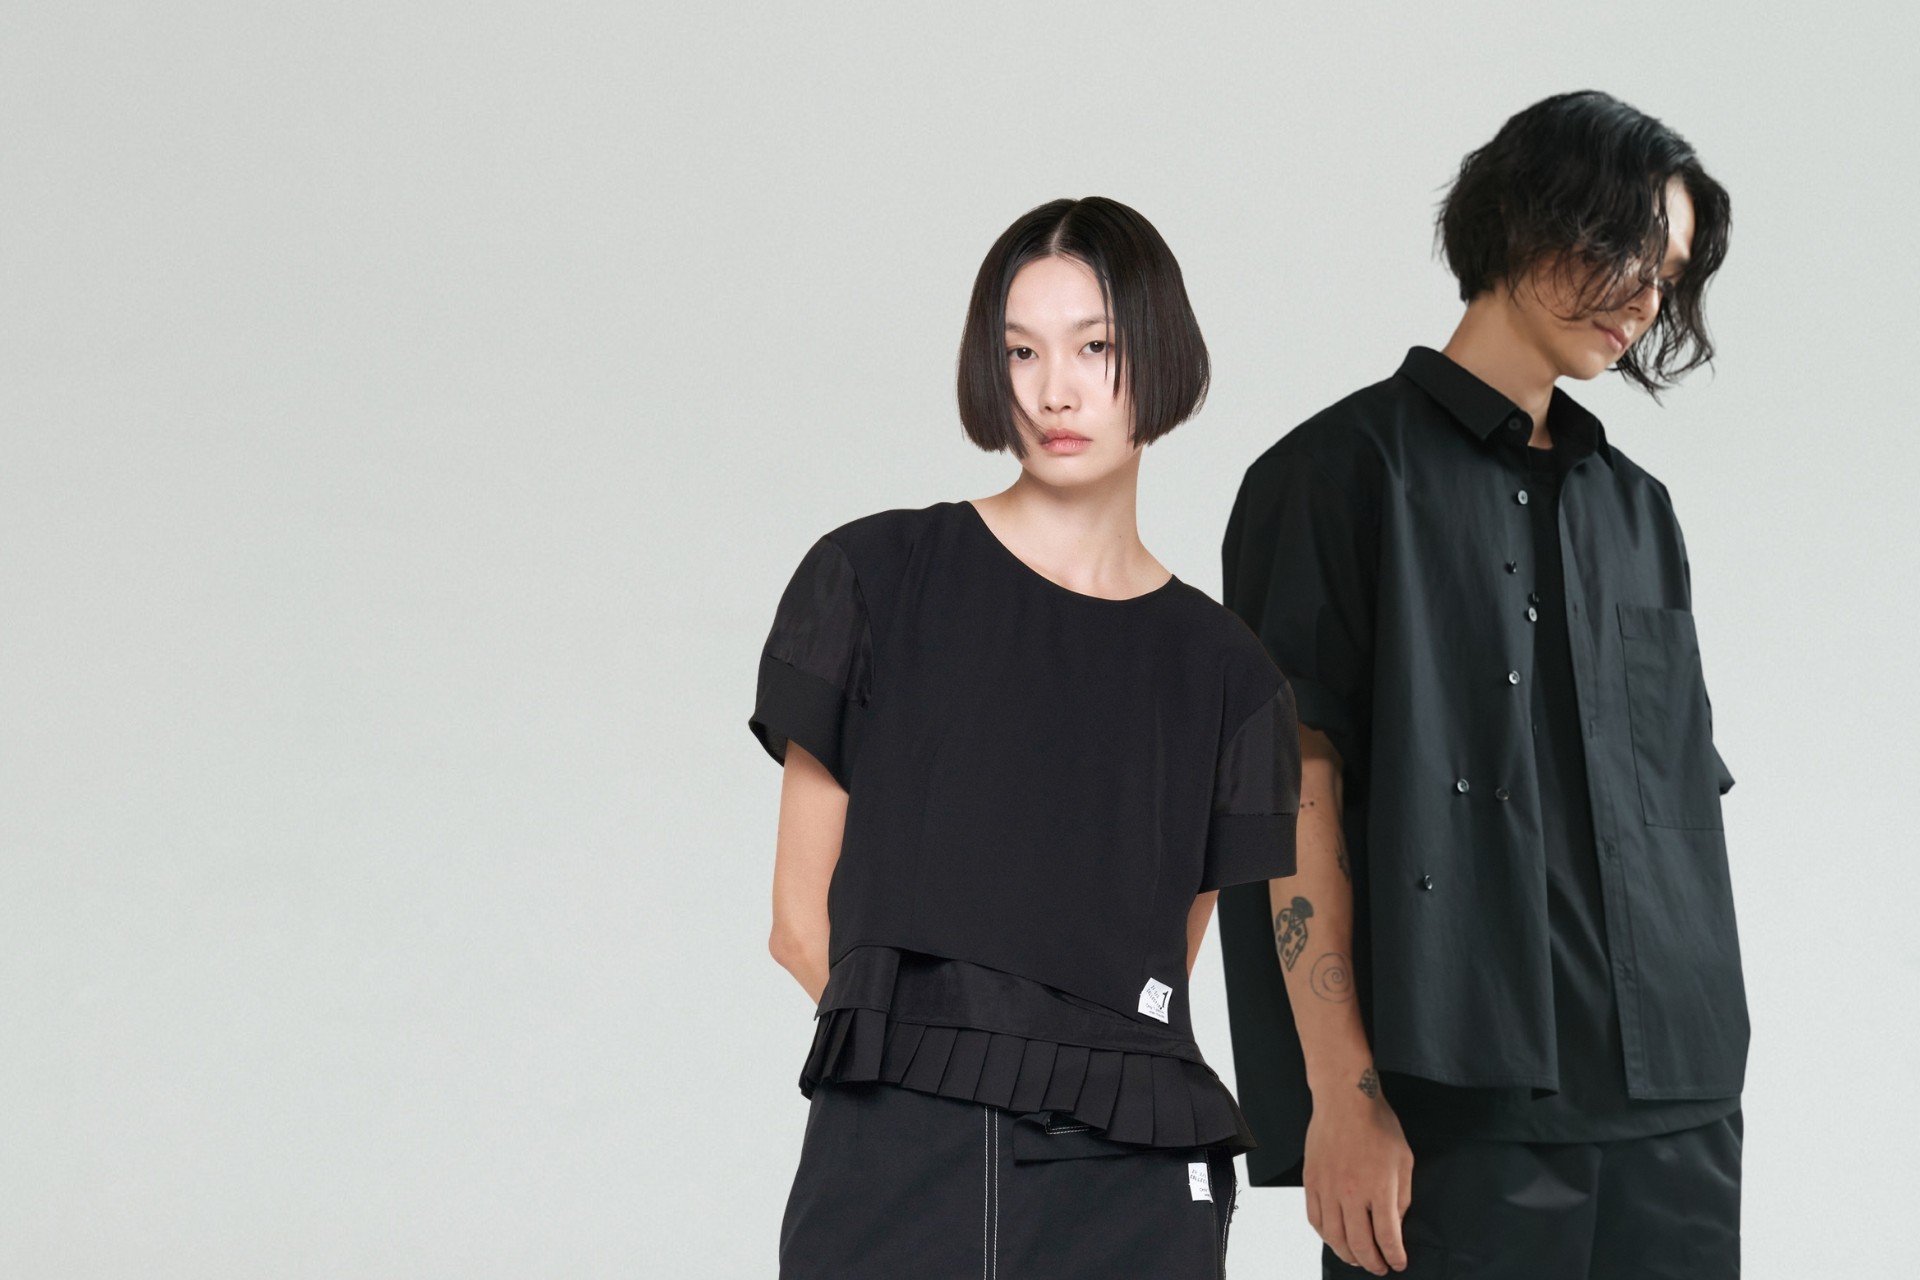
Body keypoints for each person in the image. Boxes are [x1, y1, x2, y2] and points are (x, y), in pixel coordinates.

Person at [1217, 91, 1747, 1279]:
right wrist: (1341, 1094)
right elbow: (1287, 801)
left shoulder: (1640, 512)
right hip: (1452, 1118)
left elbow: (1671, 804)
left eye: (1667, 277)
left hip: (1678, 1111)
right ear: (1526, 217)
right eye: (1628, 251)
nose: (1646, 300)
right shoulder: (1333, 477)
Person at [748, 196, 1301, 1280]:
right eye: (1021, 351)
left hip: (1135, 1186)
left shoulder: (1230, 677)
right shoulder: (877, 580)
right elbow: (800, 923)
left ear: (1160, 353)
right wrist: (952, 1084)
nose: (1055, 391)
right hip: (906, 1165)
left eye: (1096, 346)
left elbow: (1149, 979)